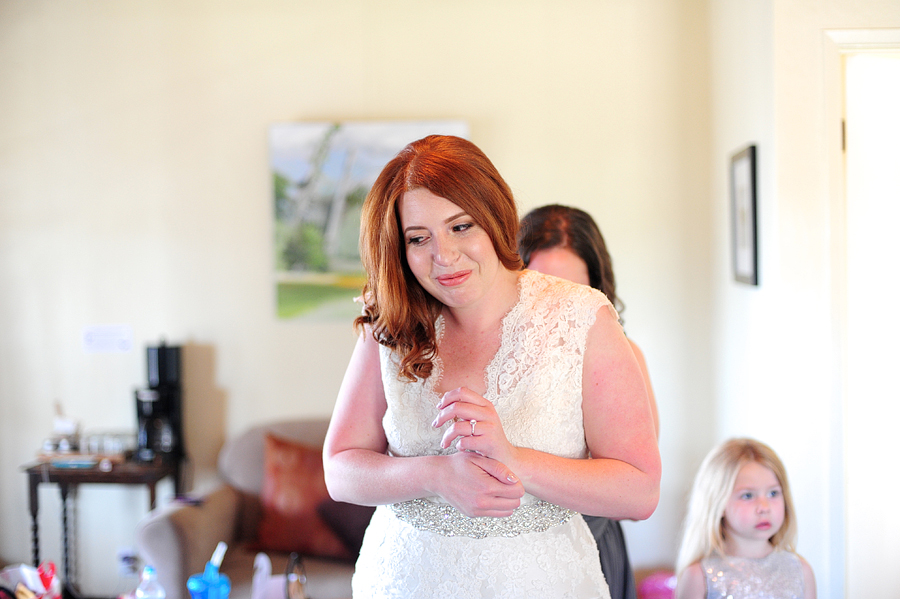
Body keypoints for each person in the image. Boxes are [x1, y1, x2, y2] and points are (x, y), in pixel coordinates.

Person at [323, 135, 661, 598]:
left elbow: (640, 491)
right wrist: (435, 476)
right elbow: (340, 470)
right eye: (418, 238)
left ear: (495, 215)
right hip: (402, 581)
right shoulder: (391, 322)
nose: (444, 256)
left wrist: (516, 461)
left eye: (461, 227)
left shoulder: (581, 317)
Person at [518, 204, 659, 599]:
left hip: (590, 541)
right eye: (540, 285)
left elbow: (636, 483)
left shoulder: (624, 357)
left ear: (598, 291)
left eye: (573, 292)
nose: (555, 307)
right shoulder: (494, 360)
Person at [674, 438, 816, 599]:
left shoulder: (801, 571)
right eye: (747, 495)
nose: (764, 507)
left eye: (773, 493)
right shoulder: (698, 576)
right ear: (718, 503)